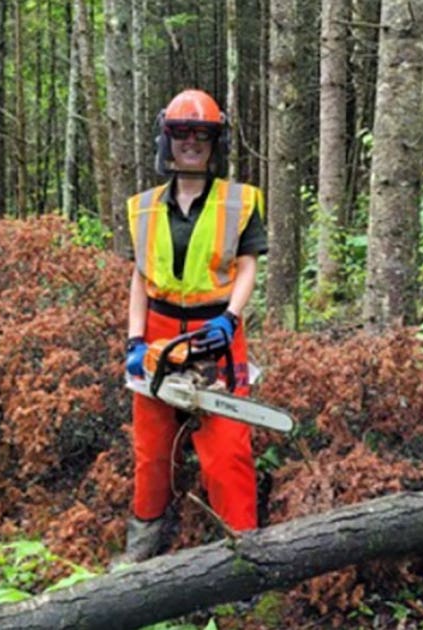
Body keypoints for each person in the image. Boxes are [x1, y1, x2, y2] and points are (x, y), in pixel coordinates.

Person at [115, 89, 268, 565]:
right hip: (159, 331)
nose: (192, 142)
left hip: (216, 333)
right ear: (168, 138)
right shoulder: (142, 207)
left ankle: (244, 555)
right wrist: (135, 341)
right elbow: (140, 278)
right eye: (183, 132)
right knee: (151, 448)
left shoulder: (239, 200)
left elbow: (247, 266)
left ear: (214, 141)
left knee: (227, 450)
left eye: (202, 134)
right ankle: (143, 545)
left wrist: (231, 316)